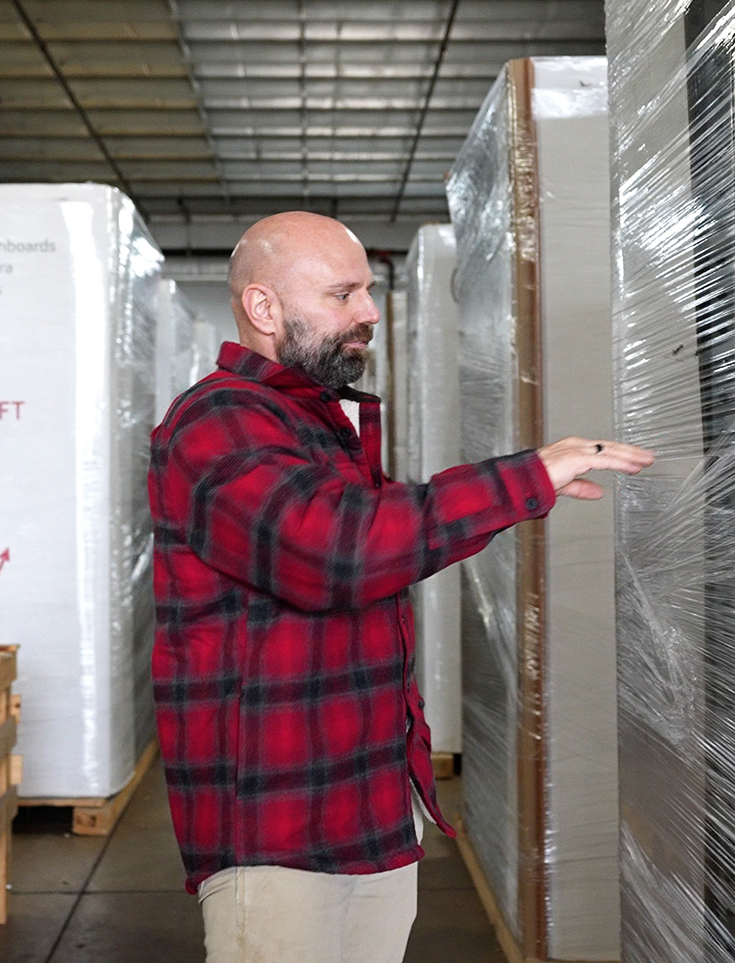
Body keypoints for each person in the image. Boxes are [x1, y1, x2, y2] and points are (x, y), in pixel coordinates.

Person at [148, 211, 653, 963]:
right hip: (279, 830)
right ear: (263, 309)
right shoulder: (217, 421)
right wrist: (526, 476)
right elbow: (339, 551)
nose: (369, 313)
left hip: (368, 809)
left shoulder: (312, 420)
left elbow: (375, 536)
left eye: (369, 293)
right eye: (343, 295)